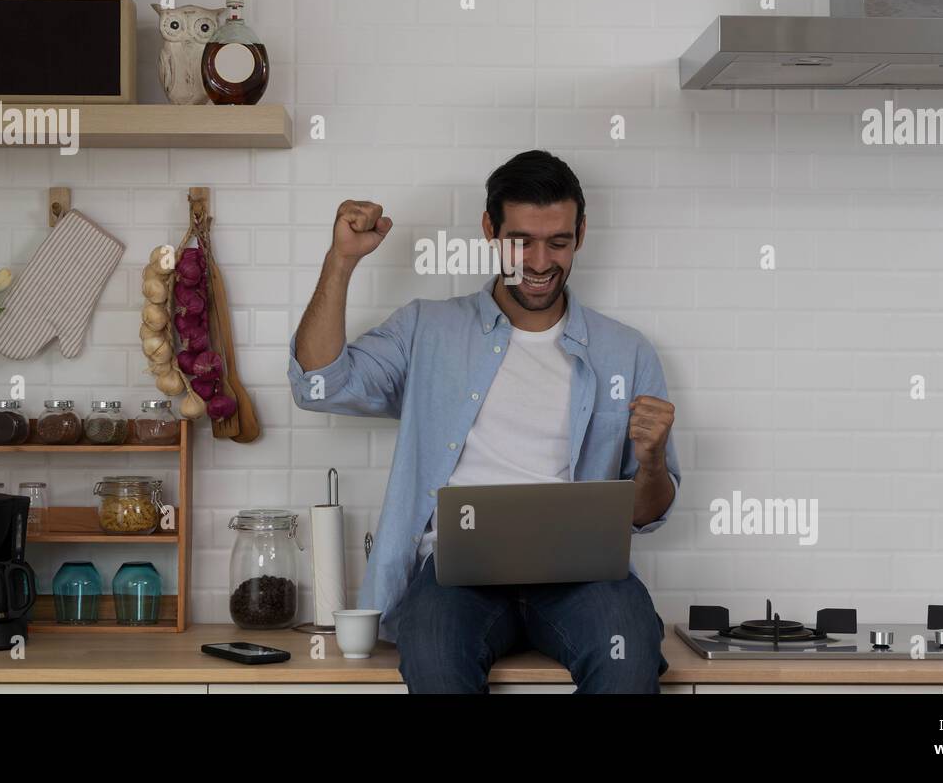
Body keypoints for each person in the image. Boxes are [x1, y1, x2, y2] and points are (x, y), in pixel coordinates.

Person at [287, 150, 681, 693]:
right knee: (433, 650)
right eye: (521, 241)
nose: (539, 262)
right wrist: (341, 261)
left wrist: (652, 462)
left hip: (582, 580)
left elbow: (647, 514)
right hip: (456, 578)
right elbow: (317, 385)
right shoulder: (428, 329)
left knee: (628, 650)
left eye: (558, 242)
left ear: (581, 234)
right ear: (490, 231)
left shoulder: (627, 352)